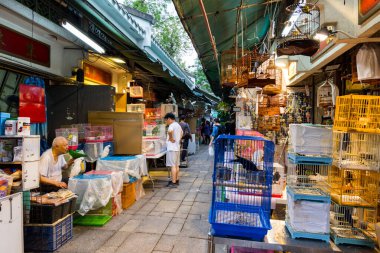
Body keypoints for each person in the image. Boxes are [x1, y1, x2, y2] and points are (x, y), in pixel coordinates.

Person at [164, 113, 183, 187]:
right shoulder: (178, 125)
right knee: (176, 165)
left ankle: (173, 182)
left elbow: (170, 131)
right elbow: (182, 133)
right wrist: (178, 139)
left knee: (172, 166)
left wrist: (171, 138)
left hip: (172, 148)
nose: (166, 122)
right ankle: (177, 179)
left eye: (166, 120)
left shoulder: (171, 126)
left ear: (169, 119)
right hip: (177, 147)